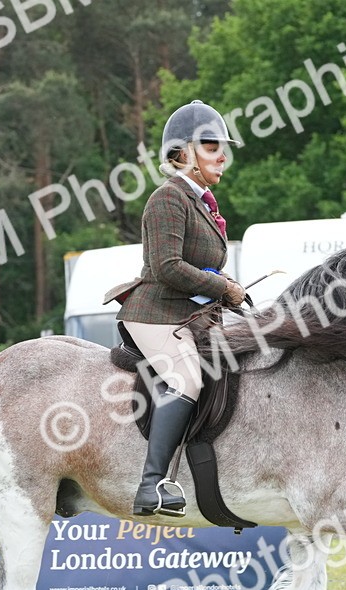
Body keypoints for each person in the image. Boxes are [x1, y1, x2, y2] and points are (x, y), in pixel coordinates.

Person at [112, 100, 246, 516]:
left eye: (222, 146)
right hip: (155, 311)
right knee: (187, 378)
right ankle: (152, 485)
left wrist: (225, 293)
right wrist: (223, 285)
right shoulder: (166, 199)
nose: (222, 154)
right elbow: (167, 267)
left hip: (190, 316)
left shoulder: (202, 203)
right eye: (210, 145)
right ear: (181, 154)